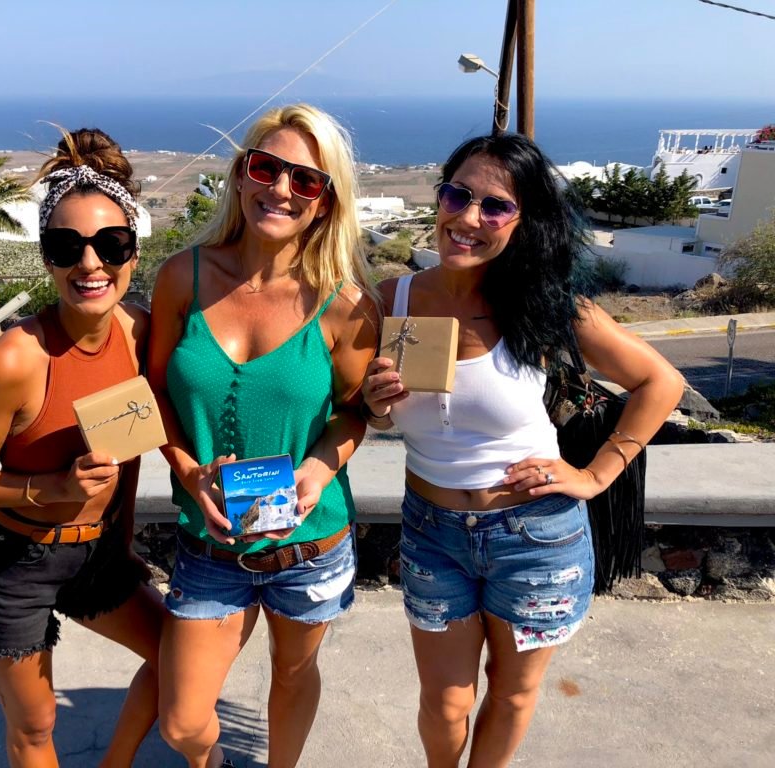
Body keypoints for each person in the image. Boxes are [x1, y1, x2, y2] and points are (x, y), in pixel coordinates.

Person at [362, 133, 684, 768]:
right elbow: (370, 416)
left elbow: (660, 382)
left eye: (496, 206)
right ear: (439, 197)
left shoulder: (547, 306)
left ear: (524, 221)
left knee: (511, 694)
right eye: (458, 195)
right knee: (445, 703)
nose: (468, 218)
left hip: (535, 535)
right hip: (432, 532)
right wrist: (375, 406)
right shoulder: (389, 300)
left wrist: (597, 475)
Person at [148, 104, 379, 768]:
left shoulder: (345, 306)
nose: (280, 188)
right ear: (240, 174)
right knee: (183, 724)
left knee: (293, 674)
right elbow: (154, 394)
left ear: (325, 200)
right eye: (265, 167)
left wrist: (319, 469)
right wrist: (188, 471)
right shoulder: (183, 278)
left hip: (309, 545)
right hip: (210, 542)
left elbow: (354, 412)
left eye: (305, 179)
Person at [0, 128, 165, 768]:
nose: (90, 264)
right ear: (47, 259)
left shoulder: (140, 333)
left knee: (179, 658)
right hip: (13, 561)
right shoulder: (15, 359)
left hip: (97, 553)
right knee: (35, 726)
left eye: (111, 244)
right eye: (67, 247)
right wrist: (53, 488)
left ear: (133, 253)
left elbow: (130, 453)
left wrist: (122, 543)